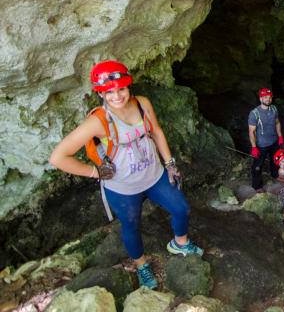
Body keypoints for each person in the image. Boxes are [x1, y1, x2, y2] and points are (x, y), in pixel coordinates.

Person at [49, 60, 203, 290]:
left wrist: (170, 163)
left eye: (121, 89)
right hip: (122, 187)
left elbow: (157, 131)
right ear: (101, 93)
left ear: (128, 86)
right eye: (109, 92)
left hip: (154, 175)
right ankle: (141, 265)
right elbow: (58, 157)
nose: (117, 96)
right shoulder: (97, 121)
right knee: (131, 226)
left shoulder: (142, 104)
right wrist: (96, 172)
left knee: (181, 208)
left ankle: (179, 243)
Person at [248, 88, 284, 192]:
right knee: (258, 166)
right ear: (260, 99)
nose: (268, 99)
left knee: (275, 161)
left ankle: (275, 175)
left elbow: (277, 123)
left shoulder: (274, 109)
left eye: (269, 97)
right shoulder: (254, 113)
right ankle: (257, 185)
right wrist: (254, 147)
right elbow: (252, 131)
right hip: (261, 144)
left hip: (274, 141)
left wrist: (280, 137)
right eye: (265, 97)